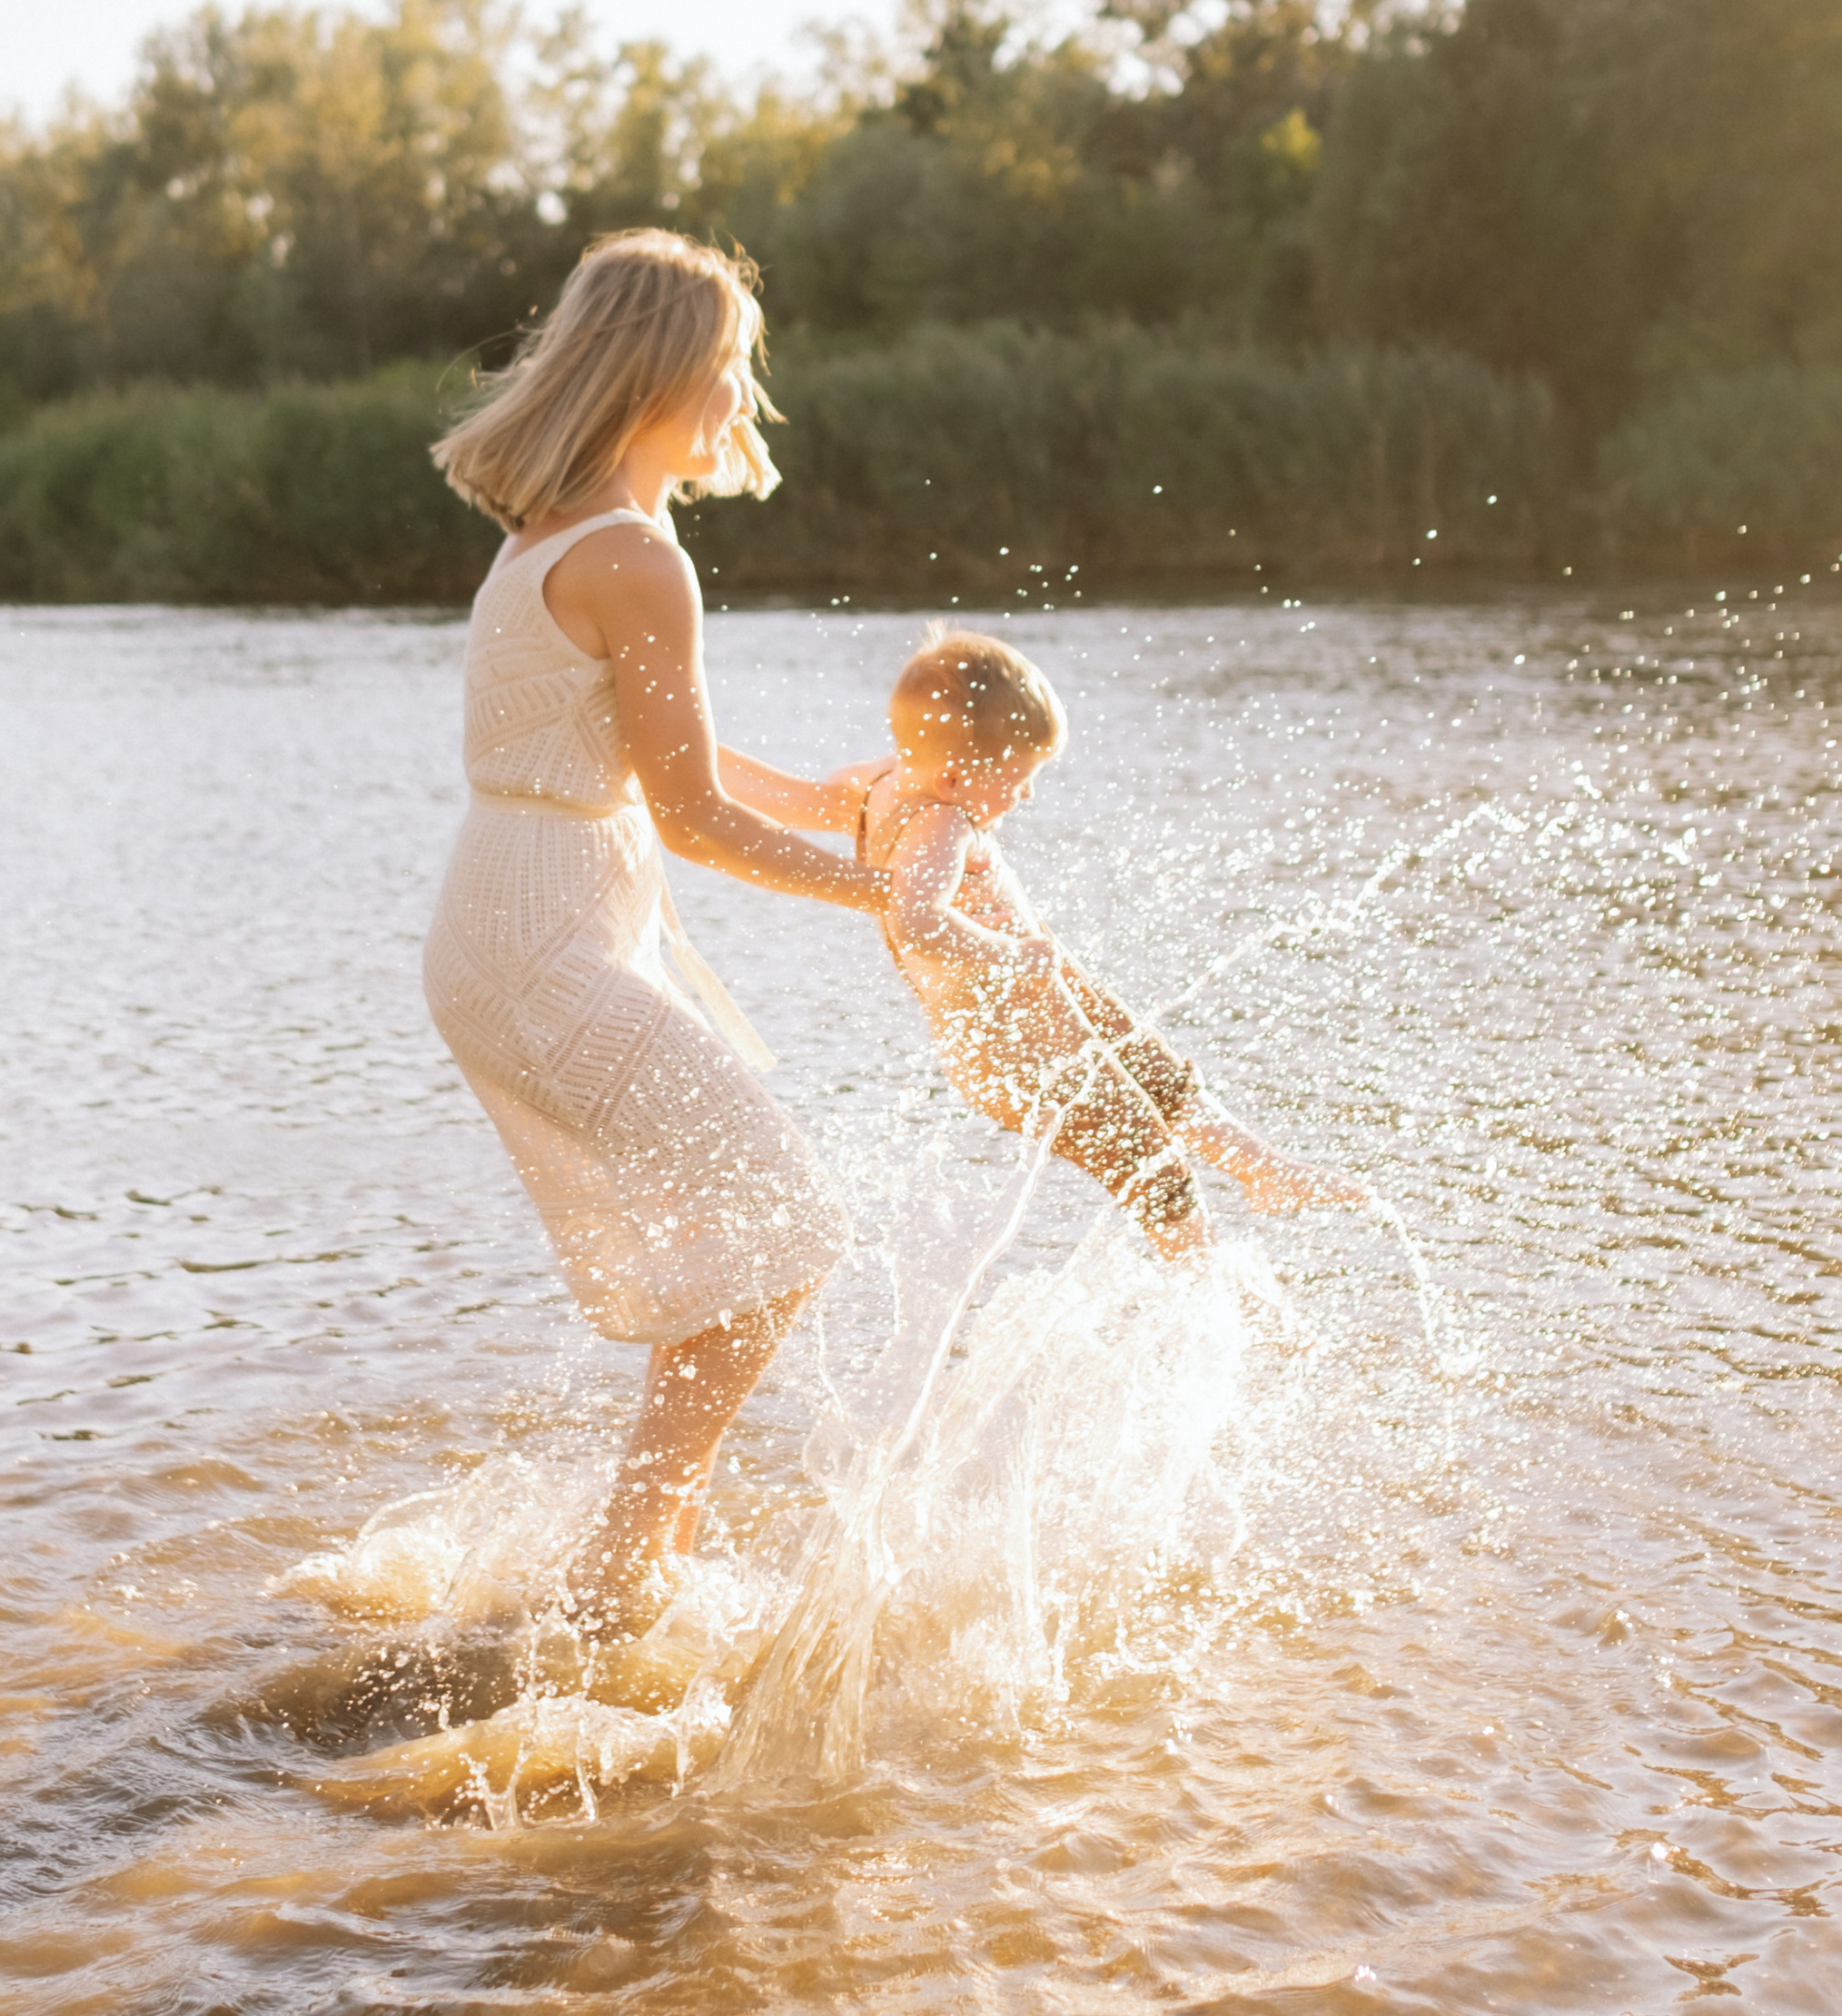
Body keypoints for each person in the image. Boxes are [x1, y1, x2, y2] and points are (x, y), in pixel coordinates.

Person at [424, 232, 885, 1631]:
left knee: (748, 1235)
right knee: (788, 1226)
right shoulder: (632, 554)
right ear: (666, 375)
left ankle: (632, 1553)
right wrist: (882, 895)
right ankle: (627, 1566)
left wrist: (820, 800)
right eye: (733, 370)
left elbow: (640, 748)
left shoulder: (560, 532)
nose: (746, 401)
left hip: (514, 925)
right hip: (543, 946)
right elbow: (684, 818)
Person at [723, 624, 1367, 1260]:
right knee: (1141, 1150)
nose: (1027, 792)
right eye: (1017, 777)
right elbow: (917, 919)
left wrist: (670, 752)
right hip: (1011, 1045)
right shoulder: (942, 823)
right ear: (951, 777)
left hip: (1050, 1008)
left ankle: (1262, 1170)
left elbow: (786, 799)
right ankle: (1224, 1291)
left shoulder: (880, 783)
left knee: (1154, 1071)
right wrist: (1009, 955)